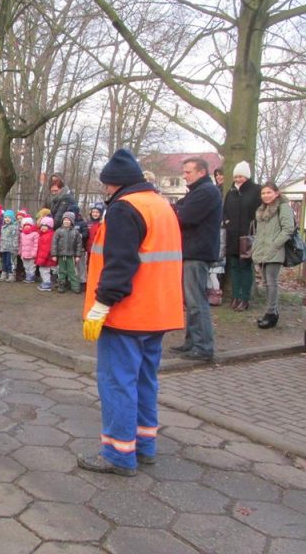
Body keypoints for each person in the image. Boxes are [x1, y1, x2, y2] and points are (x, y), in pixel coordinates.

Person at [79, 148, 183, 476]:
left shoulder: (125, 209)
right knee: (144, 379)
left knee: (117, 381)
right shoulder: (161, 205)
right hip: (159, 311)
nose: (105, 192)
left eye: (106, 186)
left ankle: (118, 454)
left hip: (128, 314)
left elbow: (120, 263)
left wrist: (101, 305)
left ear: (117, 184)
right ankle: (144, 445)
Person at [171, 157, 223, 362]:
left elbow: (185, 216)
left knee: (196, 300)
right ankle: (192, 342)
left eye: (188, 172)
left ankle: (203, 347)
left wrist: (177, 211)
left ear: (201, 172)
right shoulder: (198, 192)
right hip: (191, 251)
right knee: (191, 299)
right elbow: (178, 209)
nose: (184, 176)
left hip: (197, 252)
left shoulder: (206, 192)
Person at [252, 182, 296, 329]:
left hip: (274, 251)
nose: (266, 195)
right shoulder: (262, 209)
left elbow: (288, 229)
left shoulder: (283, 208)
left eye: (269, 192)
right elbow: (260, 232)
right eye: (263, 193)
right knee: (265, 283)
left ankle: (271, 314)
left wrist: (274, 245)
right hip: (262, 251)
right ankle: (271, 311)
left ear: (276, 193)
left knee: (271, 282)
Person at [223, 161, 262, 311]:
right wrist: (226, 221)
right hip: (232, 234)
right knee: (233, 266)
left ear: (247, 176)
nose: (238, 179)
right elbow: (225, 209)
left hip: (248, 235)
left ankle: (245, 298)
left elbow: (260, 211)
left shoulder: (256, 190)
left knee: (245, 266)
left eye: (241, 176)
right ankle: (235, 296)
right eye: (236, 176)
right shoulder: (231, 191)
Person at [51, 212, 83, 293]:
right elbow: (54, 243)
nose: (66, 221)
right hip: (61, 255)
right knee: (62, 271)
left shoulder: (75, 232)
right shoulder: (58, 231)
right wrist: (54, 254)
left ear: (71, 221)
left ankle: (75, 286)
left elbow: (79, 244)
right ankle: (61, 285)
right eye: (65, 220)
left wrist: (78, 255)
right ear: (62, 221)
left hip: (71, 256)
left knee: (72, 271)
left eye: (68, 220)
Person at [0, 210, 19, 282]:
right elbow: (1, 237)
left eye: (9, 217)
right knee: (3, 261)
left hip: (11, 248)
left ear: (12, 218)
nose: (7, 219)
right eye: (5, 217)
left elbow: (16, 237)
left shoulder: (14, 227)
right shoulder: (3, 227)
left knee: (10, 262)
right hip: (3, 248)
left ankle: (11, 275)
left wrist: (15, 247)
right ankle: (4, 274)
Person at [36, 216, 56, 291]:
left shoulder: (47, 236)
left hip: (46, 258)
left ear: (50, 227)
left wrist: (42, 259)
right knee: (44, 270)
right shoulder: (44, 234)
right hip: (45, 257)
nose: (43, 228)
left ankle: (47, 283)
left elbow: (45, 249)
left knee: (44, 271)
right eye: (42, 226)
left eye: (45, 226)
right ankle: (46, 282)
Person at [19, 217, 39, 283]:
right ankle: (28, 276)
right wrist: (20, 252)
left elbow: (36, 244)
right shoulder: (22, 234)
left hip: (32, 254)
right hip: (24, 254)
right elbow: (21, 244)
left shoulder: (35, 234)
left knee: (32, 266)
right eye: (25, 225)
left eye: (28, 225)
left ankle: (32, 277)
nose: (27, 227)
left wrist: (34, 252)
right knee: (26, 266)